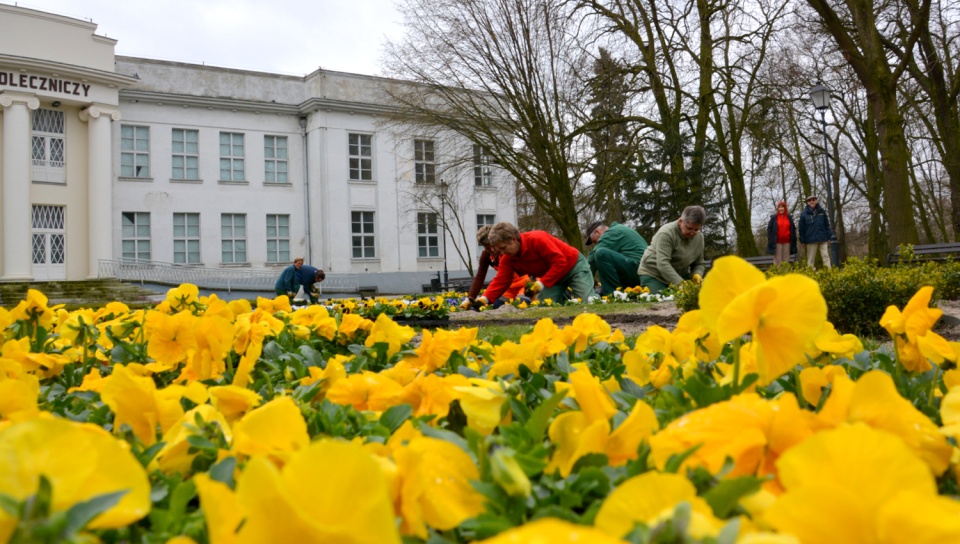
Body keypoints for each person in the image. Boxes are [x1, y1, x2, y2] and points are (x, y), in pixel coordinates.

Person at [474, 222, 593, 307]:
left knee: (588, 302)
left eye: (503, 248)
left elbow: (560, 262)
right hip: (552, 276)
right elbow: (501, 280)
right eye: (499, 250)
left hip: (573, 267)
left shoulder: (538, 239)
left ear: (513, 239)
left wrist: (541, 283)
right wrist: (485, 298)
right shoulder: (508, 258)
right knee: (544, 306)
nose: (502, 253)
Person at [636, 206, 707, 294]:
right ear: (681, 221)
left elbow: (699, 263)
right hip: (654, 275)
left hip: (680, 275)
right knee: (662, 298)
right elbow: (662, 264)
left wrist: (697, 274)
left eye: (696, 229)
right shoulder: (666, 233)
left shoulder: (699, 237)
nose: (692, 233)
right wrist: (681, 284)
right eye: (689, 228)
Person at [460, 226, 529, 310]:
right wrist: (470, 298)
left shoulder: (507, 250)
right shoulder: (486, 256)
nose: (492, 250)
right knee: (496, 305)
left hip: (525, 283)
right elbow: (480, 277)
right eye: (488, 248)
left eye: (493, 246)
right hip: (508, 288)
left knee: (523, 303)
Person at [584, 220, 649, 295]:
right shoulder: (620, 229)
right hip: (644, 271)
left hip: (639, 269)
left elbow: (591, 260)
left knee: (601, 253)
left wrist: (583, 281)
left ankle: (612, 295)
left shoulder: (611, 233)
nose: (596, 244)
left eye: (595, 241)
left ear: (597, 232)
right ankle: (624, 293)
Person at [798, 195, 832, 269]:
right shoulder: (804, 214)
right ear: (807, 203)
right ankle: (811, 274)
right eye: (809, 200)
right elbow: (801, 228)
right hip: (811, 239)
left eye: (813, 199)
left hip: (823, 238)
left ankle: (829, 272)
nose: (811, 201)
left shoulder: (822, 211)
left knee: (826, 256)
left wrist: (829, 237)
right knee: (810, 259)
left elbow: (827, 225)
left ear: (816, 201)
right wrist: (802, 241)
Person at [766, 201, 797, 265]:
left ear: (785, 208)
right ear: (777, 208)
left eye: (782, 207)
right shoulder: (774, 218)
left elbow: (793, 229)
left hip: (787, 242)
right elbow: (769, 229)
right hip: (777, 242)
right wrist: (770, 239)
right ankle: (778, 273)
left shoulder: (789, 218)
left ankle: (785, 273)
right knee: (778, 260)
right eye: (779, 207)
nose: (781, 209)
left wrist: (794, 239)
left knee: (786, 260)